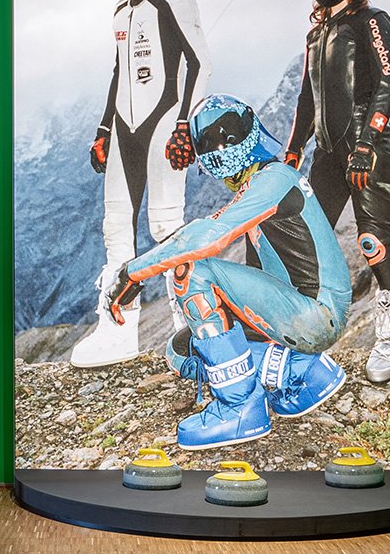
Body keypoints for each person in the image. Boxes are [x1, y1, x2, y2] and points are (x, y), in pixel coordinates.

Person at [100, 94, 352, 450]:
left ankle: (239, 409)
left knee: (191, 270)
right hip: (299, 311)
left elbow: (207, 237)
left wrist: (133, 272)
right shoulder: (268, 181)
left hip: (315, 315)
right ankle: (302, 372)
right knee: (183, 350)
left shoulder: (274, 180)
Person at [64, 0, 210, 369]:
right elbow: (118, 73)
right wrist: (103, 129)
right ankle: (118, 330)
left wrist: (186, 124)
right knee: (115, 230)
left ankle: (192, 326)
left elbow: (200, 63)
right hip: (124, 129)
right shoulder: (120, 10)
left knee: (167, 226)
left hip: (165, 123)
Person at [281, 0, 390, 384]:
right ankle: (301, 333)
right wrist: (293, 150)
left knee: (374, 239)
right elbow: (306, 97)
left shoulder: (371, 20)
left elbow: (387, 83)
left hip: (366, 149)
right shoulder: (315, 32)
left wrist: (367, 142)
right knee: (306, 235)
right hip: (325, 154)